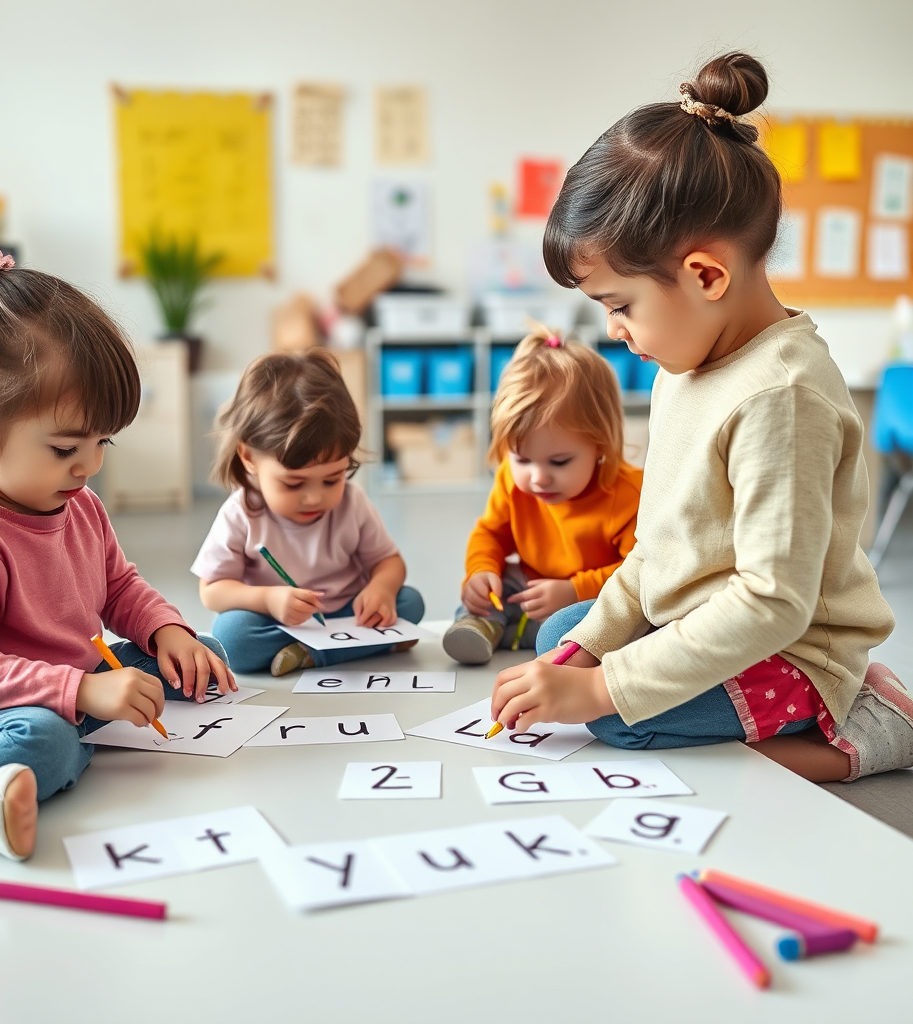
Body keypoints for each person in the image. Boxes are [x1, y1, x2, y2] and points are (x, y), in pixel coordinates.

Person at [491, 51, 913, 784]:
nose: (617, 331)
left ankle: (871, 733)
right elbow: (656, 550)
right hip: (698, 617)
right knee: (561, 634)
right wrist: (587, 651)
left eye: (621, 306)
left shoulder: (782, 397)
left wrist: (599, 688)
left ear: (706, 276)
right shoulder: (686, 363)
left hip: (790, 650)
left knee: (614, 721)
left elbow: (773, 605)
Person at [0, 228, 234, 861]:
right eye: (65, 448)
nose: (89, 467)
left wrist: (164, 633)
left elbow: (119, 586)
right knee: (45, 739)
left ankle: (78, 725)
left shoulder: (77, 503)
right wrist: (82, 694)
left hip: (64, 681)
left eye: (102, 444)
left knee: (199, 653)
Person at [193, 349, 424, 676]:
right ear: (248, 457)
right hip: (279, 621)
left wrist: (381, 590)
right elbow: (213, 591)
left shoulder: (352, 503)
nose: (314, 497)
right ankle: (362, 646)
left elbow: (388, 562)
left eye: (332, 479)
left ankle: (310, 656)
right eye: (293, 484)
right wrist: (270, 600)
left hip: (348, 613)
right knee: (231, 635)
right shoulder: (241, 513)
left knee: (410, 603)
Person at [443, 327, 642, 664]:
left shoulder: (628, 492)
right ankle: (483, 624)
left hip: (589, 597)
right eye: (521, 459)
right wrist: (480, 571)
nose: (538, 477)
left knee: (605, 620)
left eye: (559, 461)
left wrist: (575, 591)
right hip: (530, 584)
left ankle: (519, 633)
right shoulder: (511, 478)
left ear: (600, 445)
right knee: (495, 585)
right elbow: (491, 532)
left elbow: (638, 574)